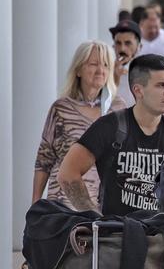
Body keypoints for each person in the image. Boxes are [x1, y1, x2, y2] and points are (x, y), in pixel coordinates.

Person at [58, 54, 164, 215]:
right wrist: (93, 216)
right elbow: (67, 174)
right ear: (138, 90)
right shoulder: (110, 127)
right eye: (161, 85)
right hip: (117, 235)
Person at [33, 41, 127, 207]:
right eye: (93, 64)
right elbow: (44, 159)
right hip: (63, 204)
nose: (100, 70)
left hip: (102, 207)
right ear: (78, 70)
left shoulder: (119, 109)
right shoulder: (61, 108)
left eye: (105, 65)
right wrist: (35, 205)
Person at [110, 20, 142, 107]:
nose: (122, 49)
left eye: (128, 43)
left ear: (139, 47)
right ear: (113, 46)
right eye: (118, 43)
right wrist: (114, 78)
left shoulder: (148, 72)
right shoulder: (104, 71)